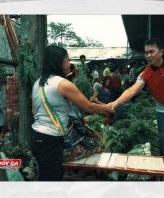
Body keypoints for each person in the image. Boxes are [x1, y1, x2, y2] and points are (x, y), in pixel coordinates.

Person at [109, 38, 164, 175]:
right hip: (163, 111)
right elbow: (132, 90)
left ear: (161, 52)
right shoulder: (146, 74)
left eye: (151, 52)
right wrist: (115, 102)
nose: (148, 55)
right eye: (146, 53)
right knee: (163, 141)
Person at [31, 45, 114, 181]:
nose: (69, 64)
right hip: (51, 140)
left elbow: (34, 111)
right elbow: (89, 107)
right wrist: (108, 107)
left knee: (46, 177)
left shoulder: (38, 83)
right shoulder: (63, 84)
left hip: (37, 137)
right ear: (59, 62)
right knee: (51, 181)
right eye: (67, 60)